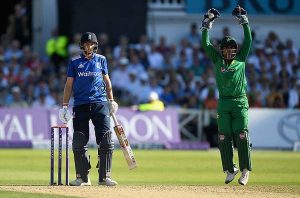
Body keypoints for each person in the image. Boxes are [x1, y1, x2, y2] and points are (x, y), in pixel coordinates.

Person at [59, 32, 119, 186]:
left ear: (95, 45)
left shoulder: (101, 60)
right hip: (81, 104)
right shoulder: (74, 61)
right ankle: (82, 178)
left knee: (106, 140)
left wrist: (111, 100)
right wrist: (65, 106)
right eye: (86, 44)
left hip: (100, 103)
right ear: (81, 45)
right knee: (79, 141)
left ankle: (104, 177)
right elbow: (69, 85)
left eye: (91, 44)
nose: (89, 46)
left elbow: (107, 82)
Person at [201, 6, 252, 185]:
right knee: (223, 136)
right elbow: (206, 44)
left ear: (236, 49)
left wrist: (244, 21)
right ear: (221, 49)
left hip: (239, 102)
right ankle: (230, 169)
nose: (229, 51)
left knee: (242, 135)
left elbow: (249, 40)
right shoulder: (217, 60)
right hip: (223, 103)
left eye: (232, 48)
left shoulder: (241, 59)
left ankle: (245, 170)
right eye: (226, 48)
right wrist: (206, 25)